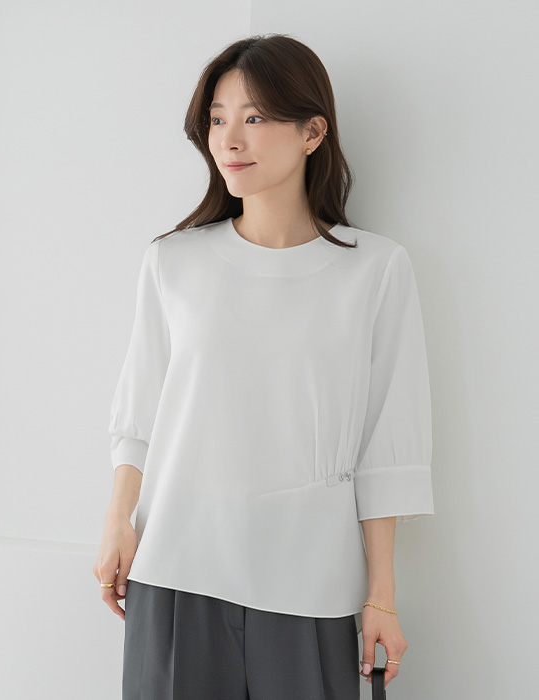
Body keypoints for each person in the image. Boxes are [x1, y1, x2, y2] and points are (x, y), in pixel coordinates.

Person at [93, 33, 435, 700]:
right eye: (217, 119)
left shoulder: (375, 269)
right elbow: (139, 417)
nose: (230, 139)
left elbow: (388, 449)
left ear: (313, 132)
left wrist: (382, 597)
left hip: (311, 580)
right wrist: (117, 523)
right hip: (176, 568)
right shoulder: (173, 262)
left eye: (254, 117)